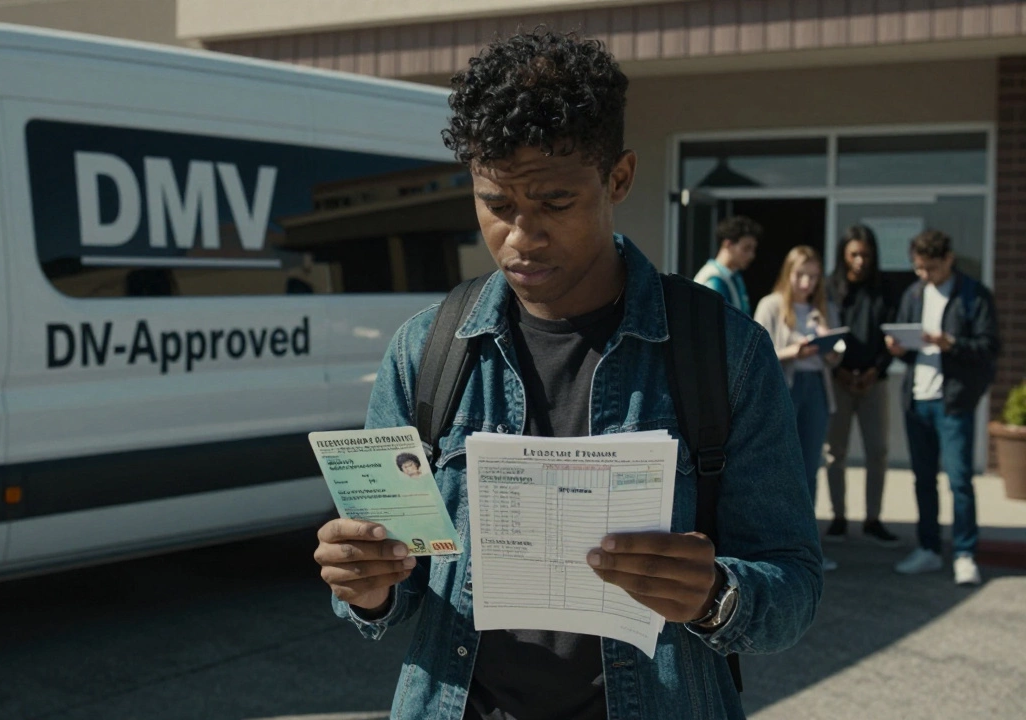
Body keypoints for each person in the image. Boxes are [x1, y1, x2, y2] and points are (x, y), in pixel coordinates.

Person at [312, 29, 822, 720]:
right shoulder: (425, 350)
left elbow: (793, 583)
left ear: (619, 178)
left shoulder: (724, 353)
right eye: (497, 205)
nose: (521, 237)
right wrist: (366, 583)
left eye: (553, 202)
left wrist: (715, 596)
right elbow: (392, 590)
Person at [887, 230, 1000, 586]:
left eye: (930, 268)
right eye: (918, 268)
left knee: (959, 481)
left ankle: (965, 553)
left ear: (948, 259)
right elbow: (908, 345)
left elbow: (989, 347)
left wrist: (950, 343)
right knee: (923, 480)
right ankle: (928, 548)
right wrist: (898, 348)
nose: (924, 274)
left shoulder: (973, 295)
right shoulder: (914, 293)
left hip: (953, 401)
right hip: (917, 399)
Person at [754, 246, 841, 572]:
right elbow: (758, 353)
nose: (807, 283)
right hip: (785, 389)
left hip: (816, 388)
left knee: (809, 468)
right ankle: (772, 546)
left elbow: (836, 357)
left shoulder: (824, 309)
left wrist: (827, 341)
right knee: (778, 467)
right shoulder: (772, 305)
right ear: (788, 274)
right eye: (801, 275)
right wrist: (793, 352)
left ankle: (807, 549)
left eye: (814, 277)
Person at [823, 226, 900, 546]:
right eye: (854, 254)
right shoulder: (829, 287)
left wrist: (876, 369)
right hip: (837, 379)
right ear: (844, 254)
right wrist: (838, 369)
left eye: (866, 255)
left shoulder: (884, 289)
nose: (860, 261)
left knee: (877, 451)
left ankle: (873, 519)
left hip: (874, 381)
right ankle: (838, 517)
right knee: (834, 452)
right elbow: (822, 331)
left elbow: (892, 335)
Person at [693, 216, 761, 315]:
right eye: (746, 248)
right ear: (728, 244)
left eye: (753, 249)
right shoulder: (714, 280)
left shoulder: (734, 277)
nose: (751, 255)